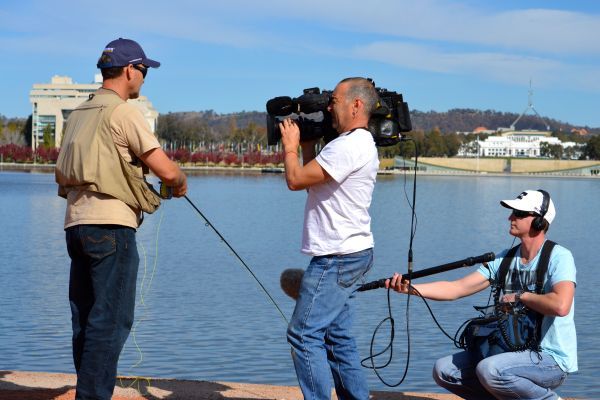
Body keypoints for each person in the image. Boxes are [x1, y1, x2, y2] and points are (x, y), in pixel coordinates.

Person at [55, 38, 187, 400]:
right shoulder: (125, 111)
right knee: (110, 321)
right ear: (129, 70)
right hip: (111, 227)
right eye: (144, 71)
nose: (144, 78)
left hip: (75, 226)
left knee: (85, 319)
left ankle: (88, 389)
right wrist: (179, 180)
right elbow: (166, 169)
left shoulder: (79, 112)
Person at [386, 189, 577, 400]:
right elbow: (455, 288)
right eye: (512, 212)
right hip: (512, 354)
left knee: (491, 370)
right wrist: (410, 289)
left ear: (539, 222)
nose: (510, 217)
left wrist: (521, 296)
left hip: (551, 359)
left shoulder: (559, 257)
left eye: (518, 213)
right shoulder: (503, 260)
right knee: (444, 370)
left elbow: (561, 305)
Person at [279, 77, 380, 400]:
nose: (327, 107)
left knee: (303, 335)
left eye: (333, 101)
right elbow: (313, 181)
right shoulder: (351, 144)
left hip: (337, 256)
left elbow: (295, 180)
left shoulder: (350, 145)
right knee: (338, 338)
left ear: (356, 104)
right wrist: (308, 142)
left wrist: (290, 146)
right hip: (351, 252)